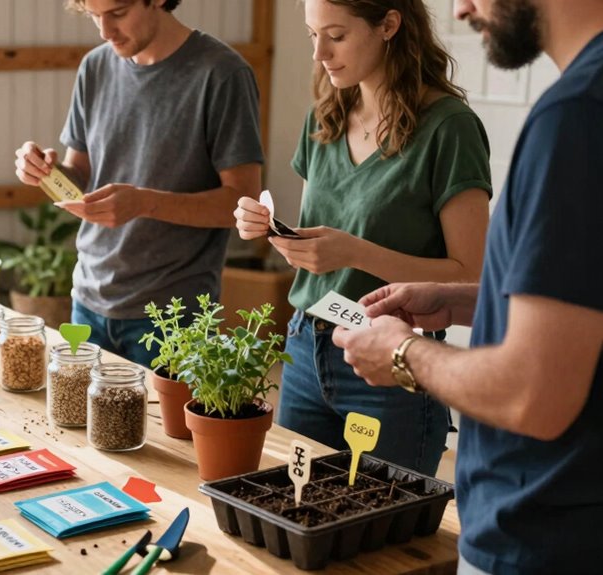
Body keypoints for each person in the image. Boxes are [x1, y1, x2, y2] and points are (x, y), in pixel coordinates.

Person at [333, 0, 603, 572]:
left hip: (542, 536)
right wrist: (462, 299)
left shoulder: (576, 115)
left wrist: (401, 353)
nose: (461, 8)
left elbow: (533, 394)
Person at [233, 0, 492, 476]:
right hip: (305, 348)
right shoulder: (324, 117)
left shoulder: (450, 128)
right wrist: (271, 228)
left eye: (336, 36)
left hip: (391, 365)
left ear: (389, 25)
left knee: (381, 528)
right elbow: (316, 245)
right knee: (297, 506)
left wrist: (353, 251)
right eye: (313, 36)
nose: (319, 54)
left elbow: (472, 274)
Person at [13, 0, 264, 367]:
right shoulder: (95, 66)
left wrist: (144, 202)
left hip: (174, 316)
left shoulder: (222, 73)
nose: (104, 31)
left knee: (166, 428)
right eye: (94, 16)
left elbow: (242, 203)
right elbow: (78, 176)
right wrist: (43, 172)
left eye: (117, 13)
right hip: (88, 301)